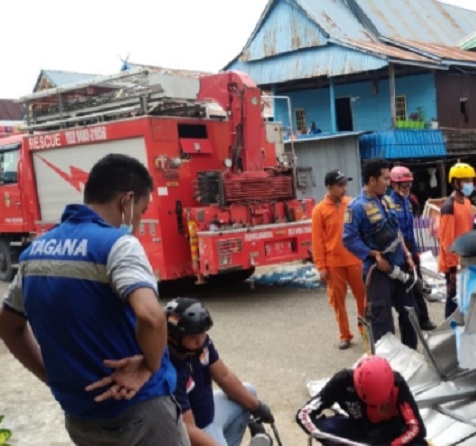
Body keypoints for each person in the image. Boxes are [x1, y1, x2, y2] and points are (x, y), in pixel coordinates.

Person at [0, 153, 189, 445]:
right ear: (126, 201)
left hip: (80, 418)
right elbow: (151, 317)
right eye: (140, 211)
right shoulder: (118, 245)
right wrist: (149, 367)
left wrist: (52, 376)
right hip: (140, 414)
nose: (138, 224)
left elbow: (8, 325)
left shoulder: (35, 252)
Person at [164, 297, 274, 446]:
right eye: (193, 337)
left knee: (249, 393)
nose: (201, 340)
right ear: (172, 337)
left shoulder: (200, 346)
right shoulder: (170, 372)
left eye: (203, 333)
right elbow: (187, 430)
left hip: (209, 413)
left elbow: (224, 376)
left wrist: (257, 407)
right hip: (195, 431)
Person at [343, 158, 419, 349]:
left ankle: (410, 354)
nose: (388, 182)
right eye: (385, 178)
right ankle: (387, 362)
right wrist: (372, 254)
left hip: (399, 265)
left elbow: (397, 231)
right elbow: (348, 238)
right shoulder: (356, 207)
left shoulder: (387, 201)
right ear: (372, 180)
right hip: (378, 272)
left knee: (410, 312)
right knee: (382, 319)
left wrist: (407, 255)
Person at [295, 355, 427, 445]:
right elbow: (303, 414)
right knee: (325, 426)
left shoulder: (397, 383)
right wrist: (333, 442)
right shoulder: (342, 382)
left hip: (391, 434)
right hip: (358, 431)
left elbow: (418, 429)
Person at [312, 169, 367, 349]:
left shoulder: (352, 204)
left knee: (363, 297)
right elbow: (317, 241)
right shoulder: (319, 211)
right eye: (340, 185)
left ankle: (364, 329)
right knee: (338, 302)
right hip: (334, 264)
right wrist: (321, 267)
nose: (344, 188)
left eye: (345, 184)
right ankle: (345, 335)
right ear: (330, 187)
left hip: (355, 260)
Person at [389, 166, 436, 331]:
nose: (408, 189)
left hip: (411, 247)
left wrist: (414, 252)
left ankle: (424, 320)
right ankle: (412, 323)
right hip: (399, 251)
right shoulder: (390, 204)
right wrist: (405, 255)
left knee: (418, 284)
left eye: (410, 185)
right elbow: (396, 233)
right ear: (394, 185)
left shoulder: (409, 202)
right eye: (404, 186)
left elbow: (410, 231)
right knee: (406, 288)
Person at [438, 162, 476, 317]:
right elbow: (447, 241)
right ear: (455, 183)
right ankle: (448, 333)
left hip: (465, 259)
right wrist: (452, 269)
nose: (470, 184)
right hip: (453, 263)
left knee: (464, 298)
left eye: (471, 180)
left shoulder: (466, 202)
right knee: (453, 299)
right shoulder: (449, 207)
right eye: (465, 181)